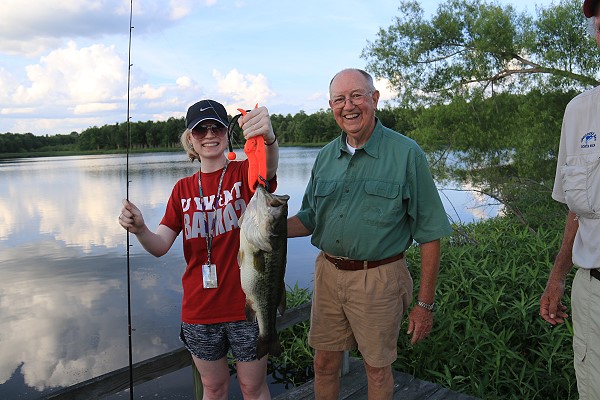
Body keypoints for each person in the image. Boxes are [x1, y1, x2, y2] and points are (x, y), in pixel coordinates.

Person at [287, 68, 453, 399]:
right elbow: (309, 218)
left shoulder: (406, 153)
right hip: (327, 274)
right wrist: (264, 227)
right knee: (323, 364)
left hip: (379, 278)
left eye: (356, 96)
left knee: (376, 370)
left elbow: (430, 232)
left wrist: (425, 303)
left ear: (374, 99)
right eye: (339, 99)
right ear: (331, 107)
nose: (348, 106)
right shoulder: (325, 157)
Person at [118, 99, 279, 400]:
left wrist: (268, 138)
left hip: (246, 308)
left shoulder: (244, 175)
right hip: (200, 312)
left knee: (252, 388)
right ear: (190, 139)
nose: (209, 134)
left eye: (216, 127)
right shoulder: (181, 189)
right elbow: (160, 245)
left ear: (226, 133)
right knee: (213, 388)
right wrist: (140, 229)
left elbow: (268, 168)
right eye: (200, 129)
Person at [540, 1, 600, 399]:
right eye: (599, 22)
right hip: (592, 293)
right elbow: (575, 211)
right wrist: (557, 277)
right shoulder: (579, 111)